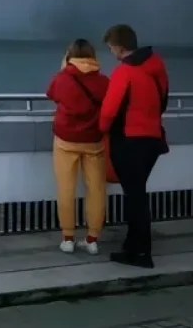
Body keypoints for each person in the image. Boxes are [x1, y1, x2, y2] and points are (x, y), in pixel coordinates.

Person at [99, 24, 169, 268]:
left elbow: (109, 111)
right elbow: (164, 101)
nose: (112, 54)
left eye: (111, 49)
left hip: (129, 141)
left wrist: (102, 128)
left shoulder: (125, 72)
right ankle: (132, 247)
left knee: (135, 198)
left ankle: (141, 253)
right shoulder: (157, 66)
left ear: (119, 47)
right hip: (153, 139)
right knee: (137, 194)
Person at [45, 39, 109, 255]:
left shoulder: (62, 78)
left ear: (68, 56)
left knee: (66, 188)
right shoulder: (103, 81)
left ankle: (68, 238)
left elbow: (52, 95)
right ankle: (92, 239)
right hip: (94, 141)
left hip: (65, 140)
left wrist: (64, 69)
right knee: (97, 189)